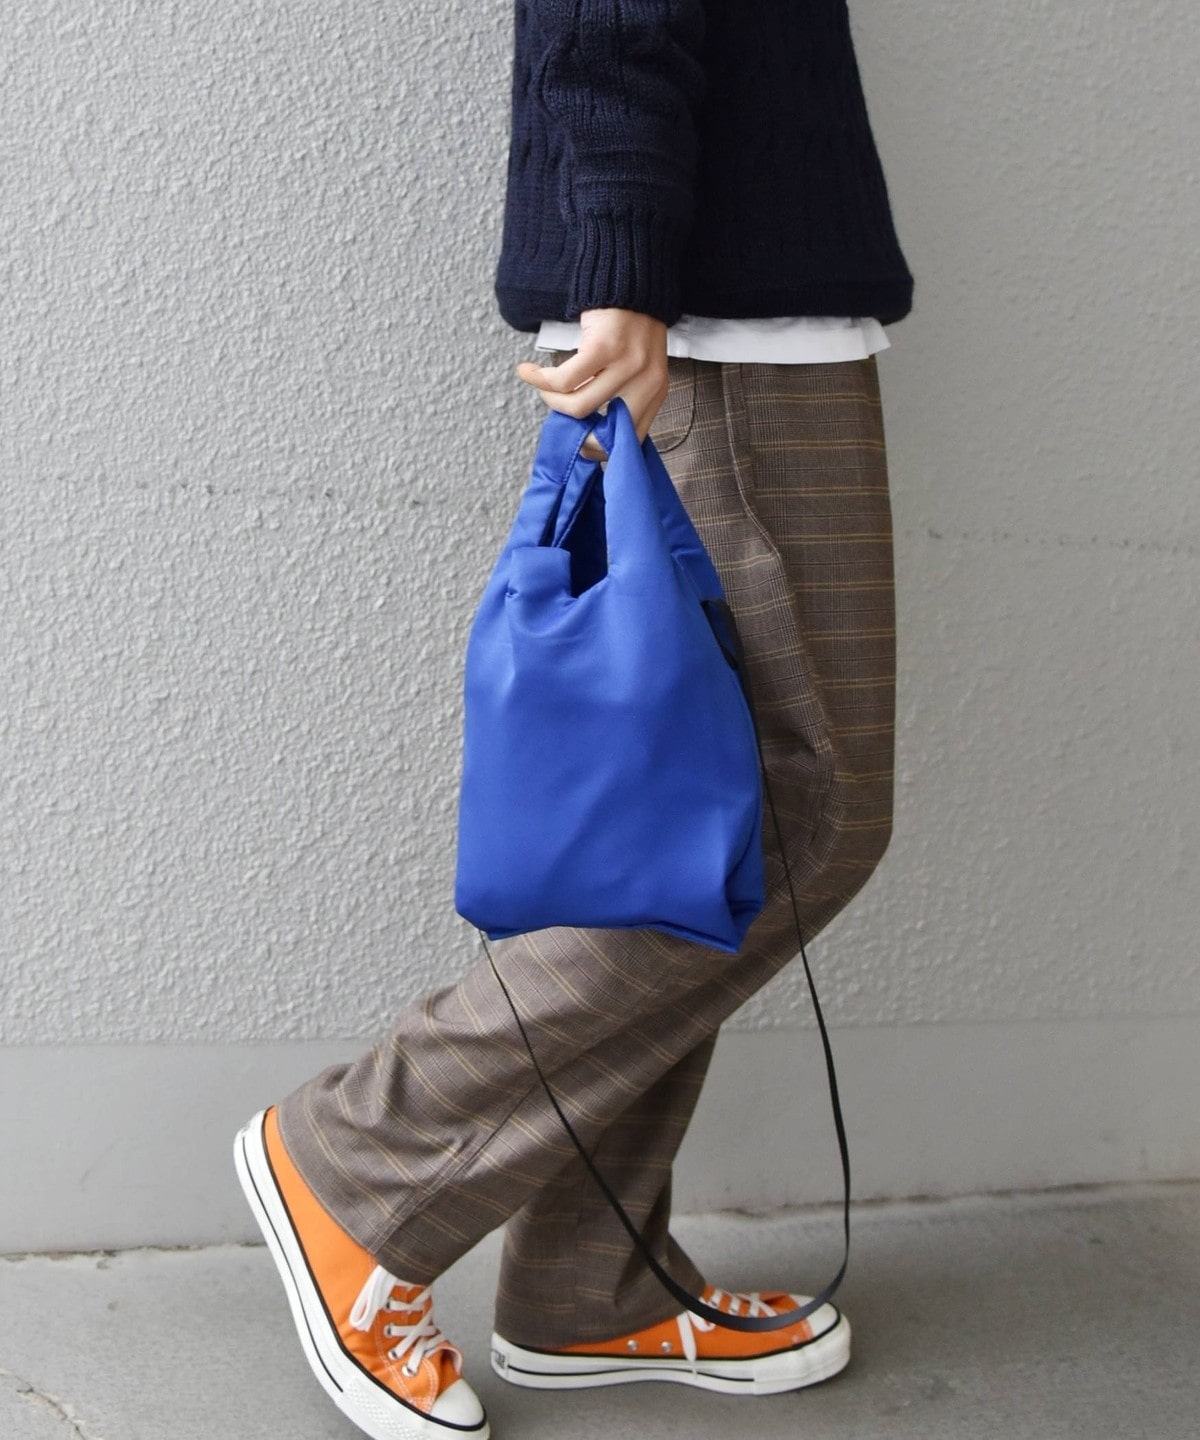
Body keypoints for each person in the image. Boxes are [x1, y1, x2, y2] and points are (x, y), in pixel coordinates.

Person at [233, 3, 914, 1437]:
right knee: (806, 817)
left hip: (723, 298)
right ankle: (362, 1158)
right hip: (715, 323)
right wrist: (623, 264)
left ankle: (586, 1281)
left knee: (692, 830)